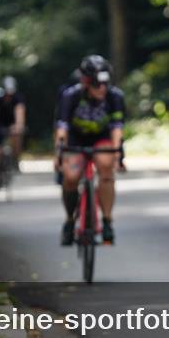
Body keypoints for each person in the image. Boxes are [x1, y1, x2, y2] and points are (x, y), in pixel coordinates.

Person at [54, 55, 125, 246]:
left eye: (105, 83)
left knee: (106, 167)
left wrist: (117, 154)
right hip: (76, 139)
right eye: (96, 84)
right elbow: (62, 128)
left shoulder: (115, 96)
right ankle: (70, 219)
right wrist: (59, 154)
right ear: (86, 82)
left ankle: (107, 220)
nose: (102, 88)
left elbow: (117, 127)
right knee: (70, 177)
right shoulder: (71, 96)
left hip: (101, 138)